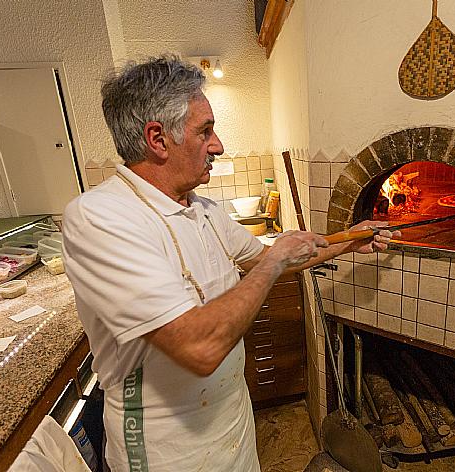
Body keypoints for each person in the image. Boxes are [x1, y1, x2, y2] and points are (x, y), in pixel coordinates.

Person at [61, 54, 400, 472]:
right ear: (157, 138)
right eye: (205, 131)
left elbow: (270, 257)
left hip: (233, 425)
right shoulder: (101, 218)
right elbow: (200, 347)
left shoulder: (201, 209)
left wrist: (348, 242)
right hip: (167, 451)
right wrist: (274, 261)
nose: (217, 145)